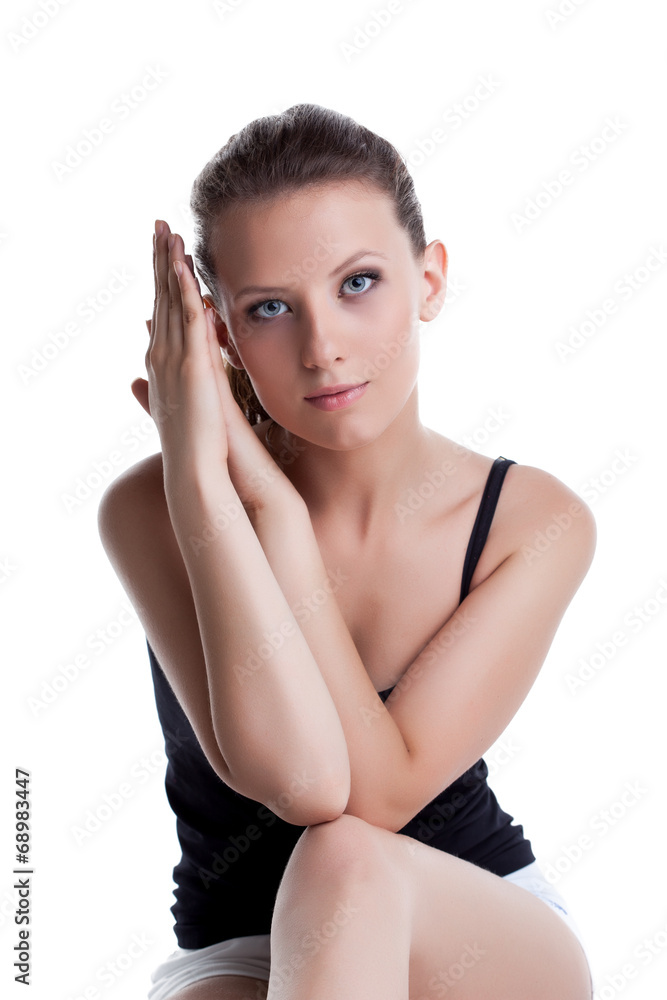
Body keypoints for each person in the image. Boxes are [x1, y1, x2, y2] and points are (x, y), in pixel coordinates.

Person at [97, 103, 596, 999]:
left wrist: (277, 522)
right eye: (271, 309)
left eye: (358, 284)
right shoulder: (152, 505)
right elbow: (300, 775)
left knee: (345, 862)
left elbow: (366, 801)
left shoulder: (533, 521)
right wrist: (210, 488)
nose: (323, 349)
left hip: (468, 930)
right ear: (217, 335)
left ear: (430, 281)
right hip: (242, 948)